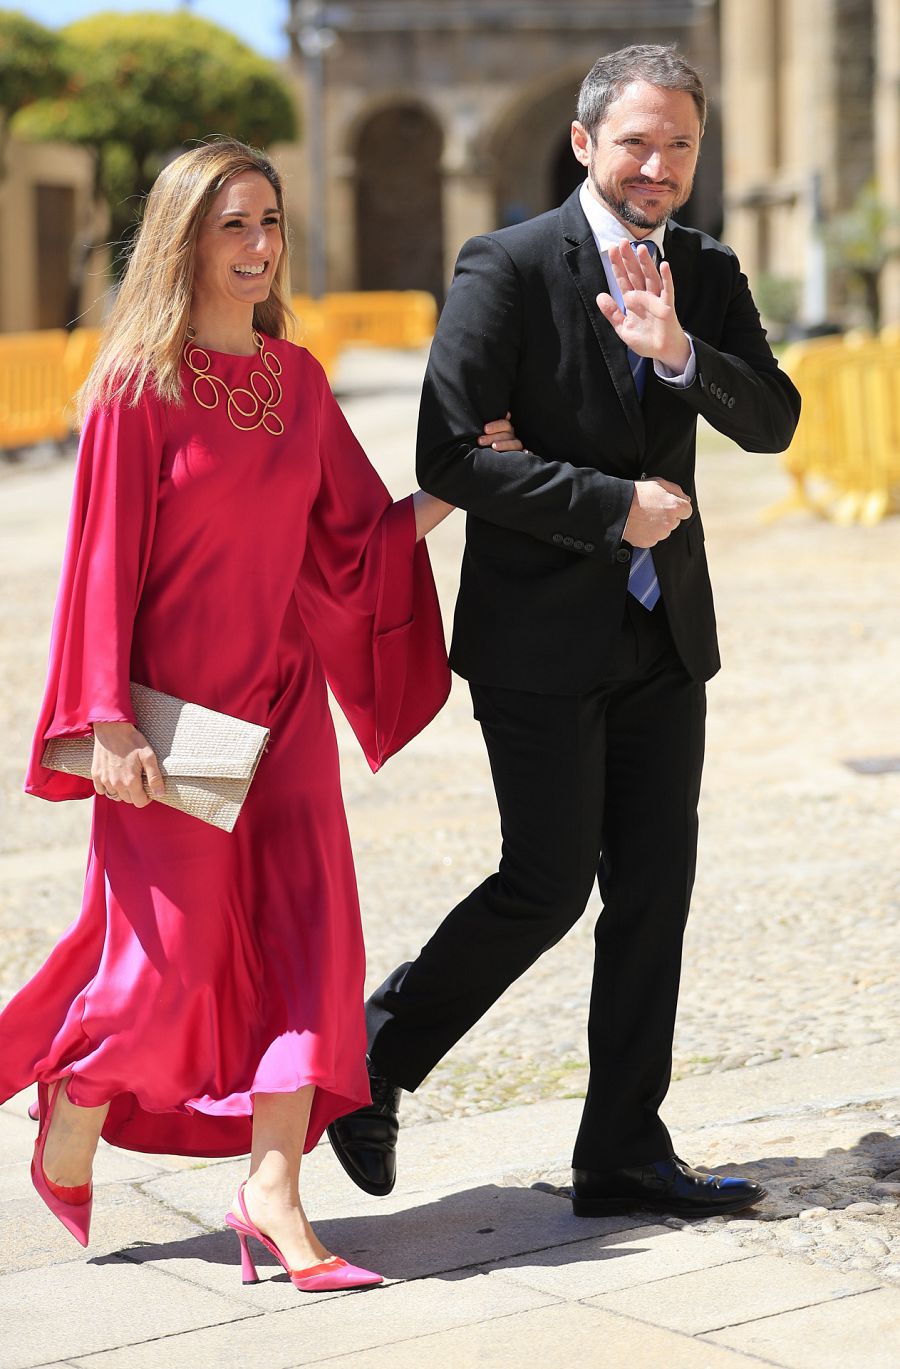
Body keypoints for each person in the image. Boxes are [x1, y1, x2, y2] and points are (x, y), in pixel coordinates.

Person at [0, 137, 521, 1287]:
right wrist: (106, 721)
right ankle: (78, 1093)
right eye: (232, 223)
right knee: (165, 966)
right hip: (169, 725)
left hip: (281, 713)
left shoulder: (297, 383)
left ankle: (273, 1191)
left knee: (311, 946)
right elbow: (97, 566)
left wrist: (458, 483)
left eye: (270, 222)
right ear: (184, 237)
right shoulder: (139, 387)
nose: (257, 245)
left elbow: (348, 545)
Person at [328, 45, 801, 1219]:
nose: (660, 165)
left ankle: (624, 1150)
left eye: (681, 144)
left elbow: (777, 420)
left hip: (664, 638)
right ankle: (369, 1060)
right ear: (586, 141)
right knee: (545, 885)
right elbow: (445, 458)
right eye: (638, 140)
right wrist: (610, 508)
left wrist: (682, 357)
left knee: (653, 892)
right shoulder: (508, 263)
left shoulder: (704, 267)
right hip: (538, 636)